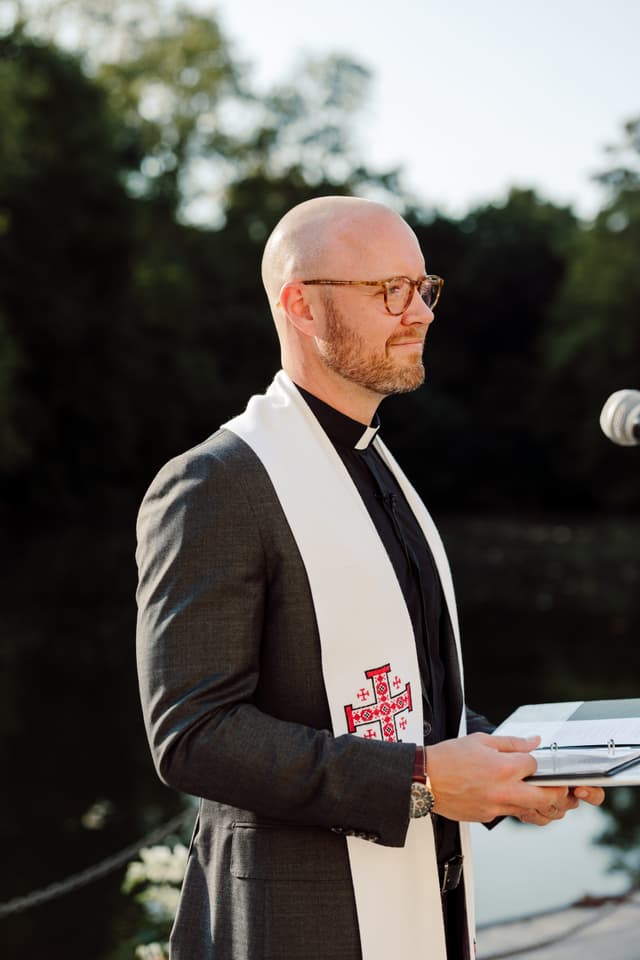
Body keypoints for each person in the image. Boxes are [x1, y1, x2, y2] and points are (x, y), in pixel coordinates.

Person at [135, 196, 604, 960]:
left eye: (425, 287)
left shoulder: (378, 465)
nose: (418, 311)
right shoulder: (217, 483)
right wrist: (419, 779)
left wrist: (511, 764)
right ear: (301, 306)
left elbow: (405, 703)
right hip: (297, 928)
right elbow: (192, 735)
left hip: (431, 905)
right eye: (389, 289)